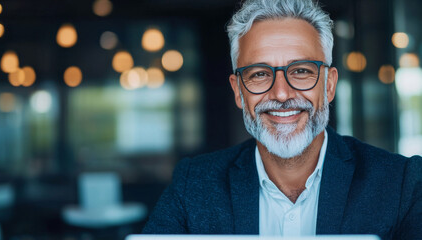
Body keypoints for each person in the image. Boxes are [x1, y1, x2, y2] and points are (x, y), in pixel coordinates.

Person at [143, 0, 422, 239]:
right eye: (260, 74)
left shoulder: (402, 184)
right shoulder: (194, 184)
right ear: (238, 91)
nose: (281, 93)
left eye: (301, 71)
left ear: (329, 85)